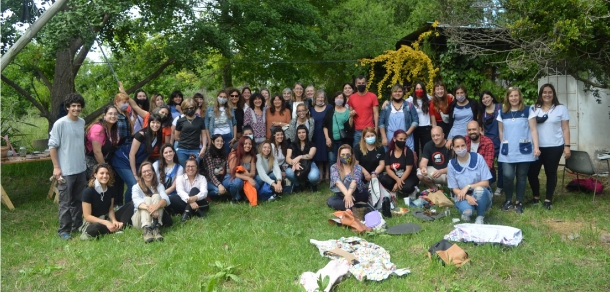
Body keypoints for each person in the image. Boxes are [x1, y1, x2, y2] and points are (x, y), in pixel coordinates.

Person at [49, 93, 88, 240]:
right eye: (73, 106)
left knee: (78, 200)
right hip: (65, 170)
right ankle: (64, 230)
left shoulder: (81, 122)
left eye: (79, 106)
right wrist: (56, 167)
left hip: (81, 169)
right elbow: (52, 147)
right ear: (67, 108)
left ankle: (76, 225)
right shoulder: (60, 124)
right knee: (65, 202)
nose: (76, 109)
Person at [527, 83, 570, 210]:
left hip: (554, 146)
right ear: (541, 94)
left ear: (553, 94)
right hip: (536, 147)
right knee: (532, 173)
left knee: (550, 173)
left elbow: (565, 128)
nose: (547, 94)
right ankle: (535, 197)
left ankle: (548, 199)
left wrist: (567, 146)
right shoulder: (533, 108)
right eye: (544, 92)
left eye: (549, 92)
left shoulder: (561, 109)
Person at [498, 87, 540, 214]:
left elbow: (533, 130)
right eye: (511, 96)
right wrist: (503, 143)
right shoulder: (502, 112)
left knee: (521, 176)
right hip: (508, 150)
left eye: (516, 95)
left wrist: (536, 147)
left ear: (519, 97)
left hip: (524, 149)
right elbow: (501, 130)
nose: (514, 98)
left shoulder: (528, 110)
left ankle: (519, 202)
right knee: (507, 176)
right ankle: (508, 200)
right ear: (507, 98)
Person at [111, 114, 164, 204]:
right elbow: (132, 154)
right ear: (149, 123)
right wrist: (135, 174)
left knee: (142, 182)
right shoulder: (141, 135)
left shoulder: (157, 136)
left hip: (137, 161)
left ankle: (135, 203)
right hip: (122, 160)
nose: (155, 125)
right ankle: (127, 206)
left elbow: (147, 154)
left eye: (158, 123)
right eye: (153, 122)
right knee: (133, 184)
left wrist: (142, 168)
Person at [447, 135, 493, 224]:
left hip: (481, 193)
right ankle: (466, 210)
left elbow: (486, 183)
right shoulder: (451, 164)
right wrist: (467, 197)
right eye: (457, 146)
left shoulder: (478, 158)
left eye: (463, 145)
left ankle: (480, 217)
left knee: (479, 190)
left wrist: (468, 187)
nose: (461, 148)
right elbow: (455, 189)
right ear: (453, 148)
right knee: (468, 211)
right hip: (463, 196)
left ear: (467, 145)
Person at [80, 164, 124, 240]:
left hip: (106, 217)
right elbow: (87, 216)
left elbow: (110, 209)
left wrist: (114, 220)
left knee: (131, 205)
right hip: (93, 222)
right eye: (102, 173)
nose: (105, 176)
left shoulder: (111, 188)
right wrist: (106, 222)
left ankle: (115, 226)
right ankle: (112, 230)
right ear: (95, 175)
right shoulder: (88, 191)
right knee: (95, 227)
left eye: (107, 173)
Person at [131, 162, 172, 243]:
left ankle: (156, 228)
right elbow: (137, 203)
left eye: (149, 170)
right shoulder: (136, 187)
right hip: (139, 220)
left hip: (156, 216)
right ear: (141, 175)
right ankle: (147, 230)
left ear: (153, 172)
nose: (147, 173)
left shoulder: (159, 186)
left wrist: (156, 206)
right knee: (147, 199)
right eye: (144, 172)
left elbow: (166, 199)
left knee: (157, 196)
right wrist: (151, 208)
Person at [327, 144, 369, 210]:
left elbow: (354, 182)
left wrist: (349, 194)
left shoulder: (357, 167)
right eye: (342, 155)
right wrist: (347, 195)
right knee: (330, 201)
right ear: (339, 156)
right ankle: (355, 206)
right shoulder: (334, 167)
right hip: (342, 194)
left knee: (363, 195)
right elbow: (337, 182)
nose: (345, 156)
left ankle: (350, 206)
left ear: (352, 155)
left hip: (357, 193)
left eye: (347, 154)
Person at [378, 130, 419, 197]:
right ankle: (394, 190)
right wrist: (397, 180)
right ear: (394, 139)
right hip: (395, 177)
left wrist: (398, 182)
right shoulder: (389, 153)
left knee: (406, 187)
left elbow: (408, 170)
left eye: (404, 139)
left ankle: (413, 190)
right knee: (383, 179)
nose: (402, 141)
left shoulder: (408, 152)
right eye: (400, 139)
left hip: (409, 177)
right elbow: (388, 169)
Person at [379, 84, 419, 151]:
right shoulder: (386, 106)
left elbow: (415, 121)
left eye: (400, 91)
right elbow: (381, 123)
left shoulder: (409, 106)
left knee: (407, 158)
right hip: (390, 138)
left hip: (406, 138)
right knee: (391, 158)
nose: (397, 93)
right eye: (395, 91)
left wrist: (407, 134)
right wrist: (383, 137)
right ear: (392, 93)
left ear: (403, 93)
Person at [479, 90, 504, 196]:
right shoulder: (481, 112)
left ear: (492, 97)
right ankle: (488, 183)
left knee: (502, 165)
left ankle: (500, 186)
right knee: (487, 165)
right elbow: (481, 128)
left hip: (501, 139)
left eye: (487, 97)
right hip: (488, 142)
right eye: (483, 98)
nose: (486, 100)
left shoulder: (501, 107)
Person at [85, 105, 120, 177]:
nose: (113, 116)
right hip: (90, 164)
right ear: (104, 115)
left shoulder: (113, 129)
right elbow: (97, 152)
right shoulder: (98, 128)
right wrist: (105, 169)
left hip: (104, 161)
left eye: (115, 114)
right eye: (110, 113)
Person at [173, 156, 210, 222]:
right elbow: (180, 191)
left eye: (193, 166)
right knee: (172, 198)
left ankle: (186, 213)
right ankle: (196, 211)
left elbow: (204, 192)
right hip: (186, 201)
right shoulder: (180, 178)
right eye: (188, 166)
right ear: (185, 167)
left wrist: (195, 197)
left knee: (194, 189)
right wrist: (190, 201)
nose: (190, 168)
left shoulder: (202, 178)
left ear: (196, 168)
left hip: (200, 203)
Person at [222, 136, 258, 203]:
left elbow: (253, 173)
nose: (248, 146)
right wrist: (248, 178)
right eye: (245, 143)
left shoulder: (252, 156)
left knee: (256, 184)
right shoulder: (233, 155)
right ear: (241, 144)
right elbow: (233, 173)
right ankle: (236, 198)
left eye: (250, 144)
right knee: (237, 182)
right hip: (230, 177)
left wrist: (247, 174)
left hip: (245, 177)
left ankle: (244, 195)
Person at [286, 125, 320, 192]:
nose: (301, 134)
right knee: (288, 172)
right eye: (299, 133)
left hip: (309, 164)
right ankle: (297, 185)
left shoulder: (312, 144)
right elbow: (287, 158)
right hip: (296, 164)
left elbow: (310, 156)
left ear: (307, 133)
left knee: (314, 176)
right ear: (297, 134)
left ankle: (312, 184)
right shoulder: (292, 145)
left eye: (303, 132)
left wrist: (300, 157)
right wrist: (294, 164)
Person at [348, 75, 379, 148]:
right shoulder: (352, 97)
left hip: (370, 130)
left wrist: (376, 128)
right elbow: (350, 114)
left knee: (371, 152)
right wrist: (351, 115)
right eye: (359, 83)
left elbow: (376, 113)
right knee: (357, 153)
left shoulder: (373, 96)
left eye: (363, 83)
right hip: (357, 131)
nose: (361, 85)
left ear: (366, 84)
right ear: (356, 84)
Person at [175, 98, 208, 167]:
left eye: (191, 108)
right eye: (187, 108)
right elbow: (176, 136)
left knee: (194, 169)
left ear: (195, 107)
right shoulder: (180, 121)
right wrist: (186, 140)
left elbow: (203, 134)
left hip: (195, 149)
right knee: (183, 170)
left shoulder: (200, 120)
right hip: (182, 150)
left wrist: (204, 147)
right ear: (184, 109)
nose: (189, 109)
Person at [406, 82, 436, 156]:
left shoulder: (428, 98)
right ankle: (415, 166)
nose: (419, 90)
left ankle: (427, 165)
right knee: (414, 149)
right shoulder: (410, 100)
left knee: (426, 148)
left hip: (426, 127)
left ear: (424, 89)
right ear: (414, 90)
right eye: (417, 88)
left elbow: (440, 97)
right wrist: (386, 102)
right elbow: (398, 102)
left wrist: (450, 95)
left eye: (421, 88)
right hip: (414, 128)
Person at [323, 91, 353, 165]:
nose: (339, 99)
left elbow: (349, 127)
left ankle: (343, 176)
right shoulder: (330, 111)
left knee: (343, 160)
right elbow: (325, 125)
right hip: (331, 140)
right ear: (334, 99)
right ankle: (333, 176)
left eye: (341, 97)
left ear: (344, 100)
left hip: (343, 140)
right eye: (337, 97)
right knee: (332, 160)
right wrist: (327, 138)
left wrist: (351, 117)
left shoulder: (347, 112)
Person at [310, 90, 333, 181]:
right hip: (315, 135)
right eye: (318, 97)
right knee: (318, 154)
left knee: (327, 153)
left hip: (327, 134)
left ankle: (327, 174)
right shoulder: (311, 109)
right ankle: (320, 175)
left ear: (325, 98)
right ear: (315, 98)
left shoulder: (329, 107)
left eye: (322, 97)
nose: (320, 99)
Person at [205, 90, 237, 155]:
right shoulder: (210, 109)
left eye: (224, 97)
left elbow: (234, 123)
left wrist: (234, 137)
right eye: (221, 96)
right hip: (215, 136)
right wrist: (209, 139)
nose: (222, 98)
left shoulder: (230, 109)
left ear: (227, 99)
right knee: (215, 156)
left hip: (228, 135)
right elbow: (206, 125)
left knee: (226, 156)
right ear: (217, 97)